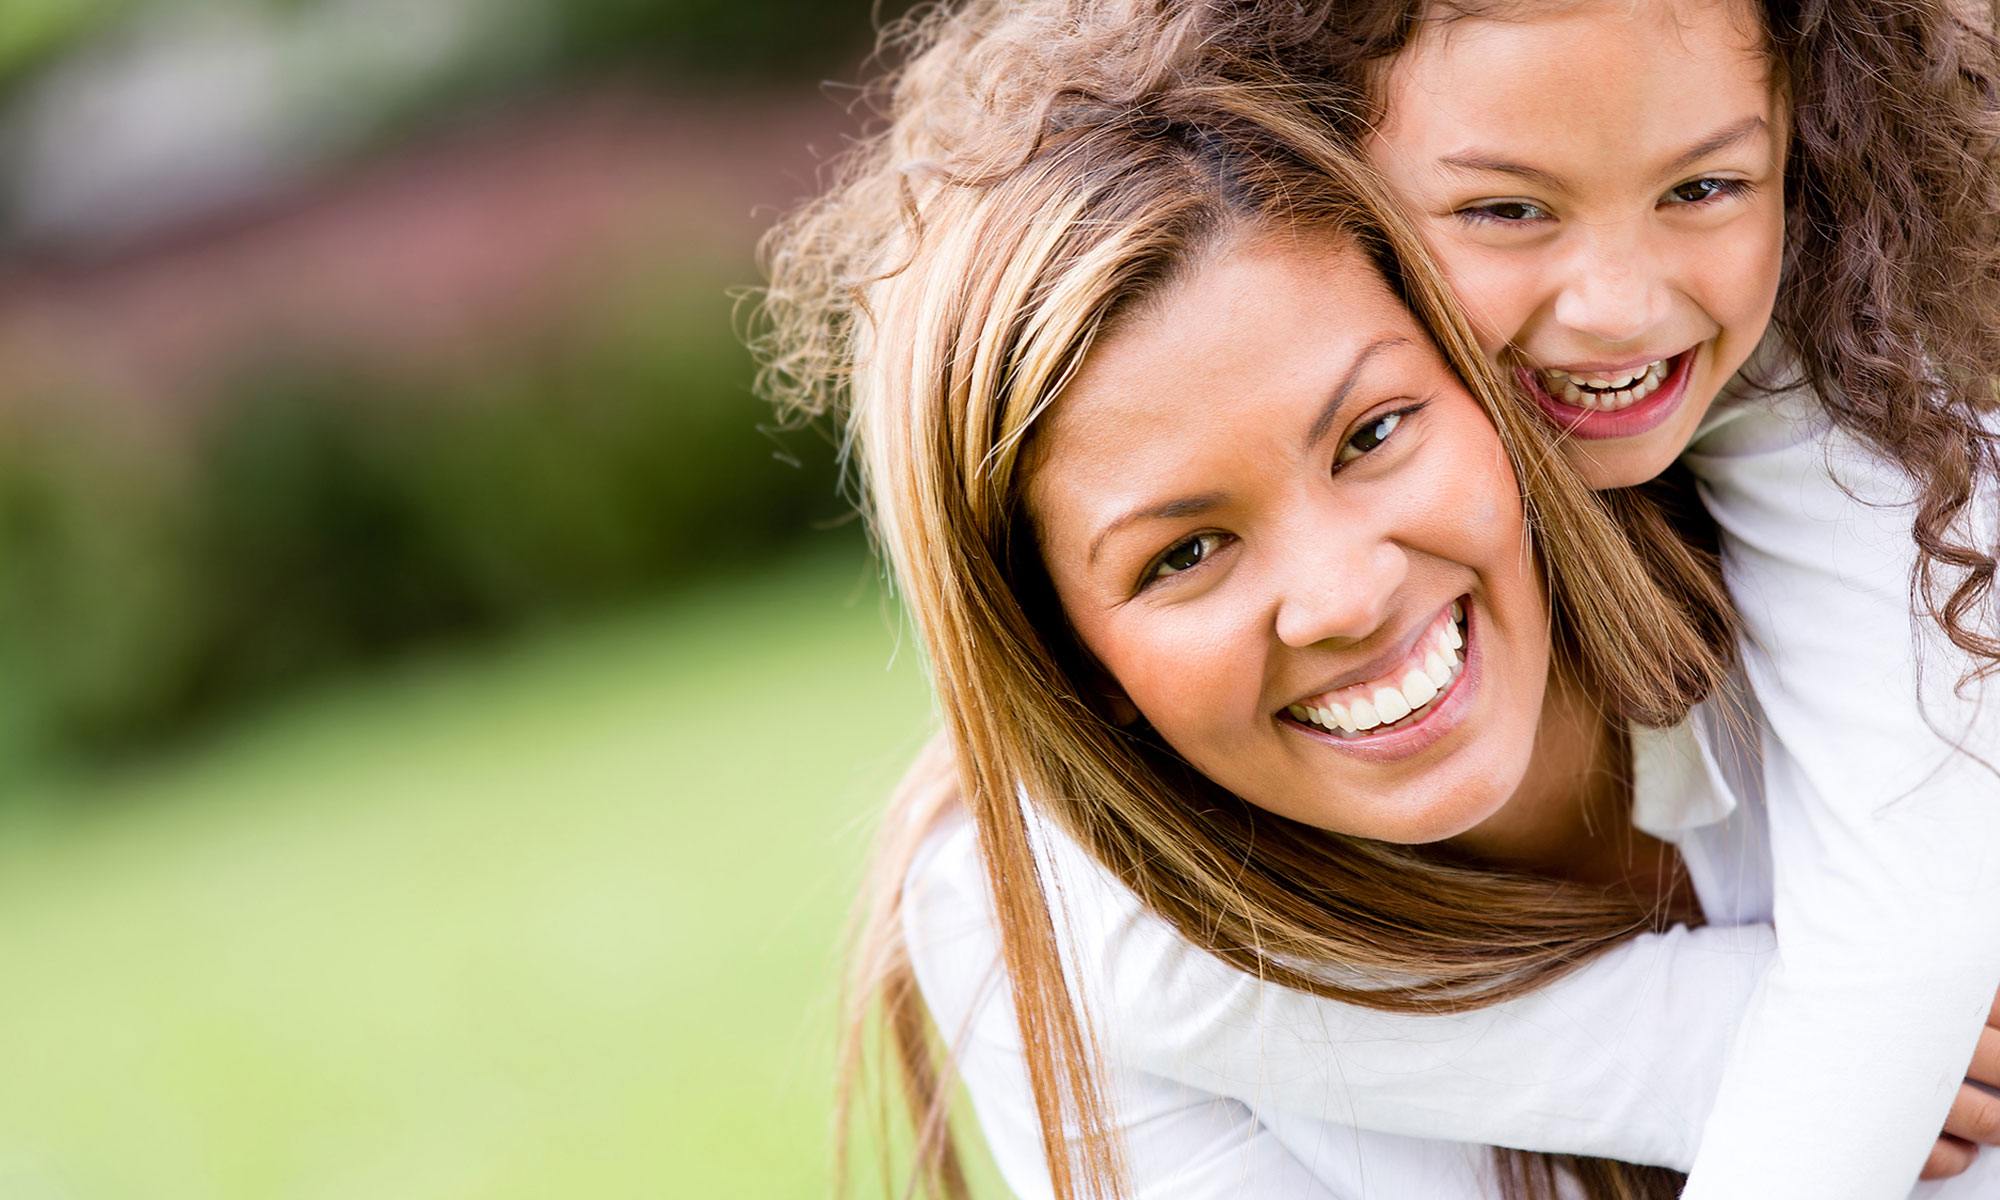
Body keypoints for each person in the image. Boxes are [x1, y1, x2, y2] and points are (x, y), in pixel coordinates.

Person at [801, 1, 2000, 1194]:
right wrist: (1700, 1041)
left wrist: (1849, 1026)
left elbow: (1907, 949)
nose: (1342, 596)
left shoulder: (1885, 491)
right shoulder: (1046, 937)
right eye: (1182, 555)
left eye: (1373, 432)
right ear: (1065, 656)